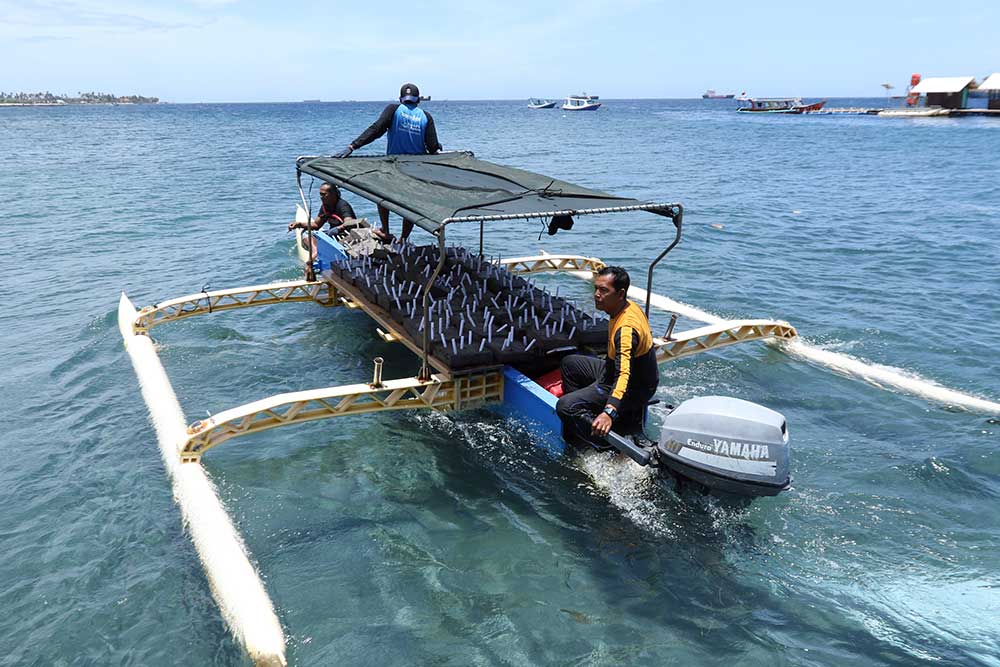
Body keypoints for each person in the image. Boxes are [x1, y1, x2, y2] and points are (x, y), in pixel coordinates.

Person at [555, 266, 659, 449]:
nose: (596, 294)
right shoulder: (627, 307)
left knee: (565, 406)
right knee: (570, 363)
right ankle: (590, 416)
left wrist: (609, 411)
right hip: (612, 371)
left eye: (604, 290)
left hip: (633, 387)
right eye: (596, 288)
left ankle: (602, 441)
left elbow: (623, 375)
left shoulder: (626, 330)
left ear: (620, 294)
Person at [333, 83, 442, 243]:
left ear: (401, 99)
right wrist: (438, 147)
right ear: (418, 100)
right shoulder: (426, 116)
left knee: (382, 194)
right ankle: (404, 239)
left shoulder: (393, 109)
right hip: (417, 168)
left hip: (394, 165)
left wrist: (353, 146)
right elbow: (432, 147)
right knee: (410, 203)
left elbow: (376, 130)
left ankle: (385, 230)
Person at [287, 182, 358, 256]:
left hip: (344, 236)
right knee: (306, 233)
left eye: (324, 194)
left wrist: (337, 229)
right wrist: (299, 224)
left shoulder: (342, 205)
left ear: (333, 194)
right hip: (332, 235)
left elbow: (349, 222)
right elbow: (316, 225)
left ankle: (319, 253)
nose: (321, 197)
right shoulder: (325, 206)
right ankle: (315, 252)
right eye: (320, 194)